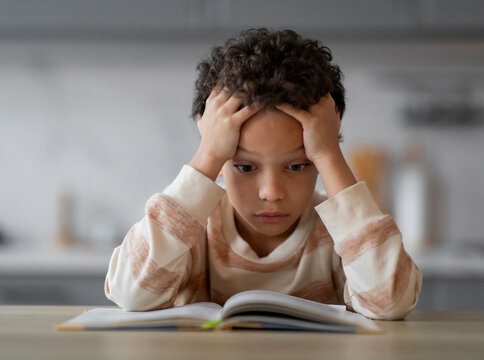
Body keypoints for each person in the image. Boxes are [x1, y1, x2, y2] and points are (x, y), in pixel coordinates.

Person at [104, 28, 422, 320]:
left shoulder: (339, 234)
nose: (271, 192)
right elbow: (133, 293)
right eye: (244, 167)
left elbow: (390, 301)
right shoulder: (193, 230)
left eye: (298, 166)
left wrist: (329, 153)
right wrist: (208, 154)